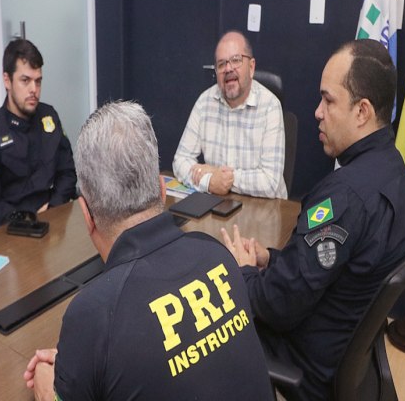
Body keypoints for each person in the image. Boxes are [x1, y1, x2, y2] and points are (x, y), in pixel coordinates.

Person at [24, 101, 273, 400]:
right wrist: (85, 360)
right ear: (162, 190)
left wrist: (46, 387)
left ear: (86, 214)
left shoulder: (93, 315)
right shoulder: (218, 256)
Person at [220, 39, 405, 400]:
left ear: (362, 112)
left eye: (328, 101)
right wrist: (271, 259)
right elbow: (331, 266)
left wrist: (245, 271)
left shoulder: (343, 198)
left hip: (307, 365)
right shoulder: (398, 176)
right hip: (344, 353)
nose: (317, 112)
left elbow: (276, 305)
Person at [0, 38, 77, 230]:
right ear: (7, 80)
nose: (34, 89)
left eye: (38, 81)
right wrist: (28, 219)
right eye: (25, 80)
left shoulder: (49, 117)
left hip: (53, 220)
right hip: (12, 230)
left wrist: (53, 208)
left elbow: (67, 173)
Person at [173, 30, 287, 199]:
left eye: (236, 60)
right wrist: (209, 181)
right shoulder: (204, 102)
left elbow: (270, 182)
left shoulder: (270, 106)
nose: (228, 69)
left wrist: (222, 176)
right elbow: (180, 160)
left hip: (265, 208)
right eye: (221, 64)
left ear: (251, 67)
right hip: (218, 204)